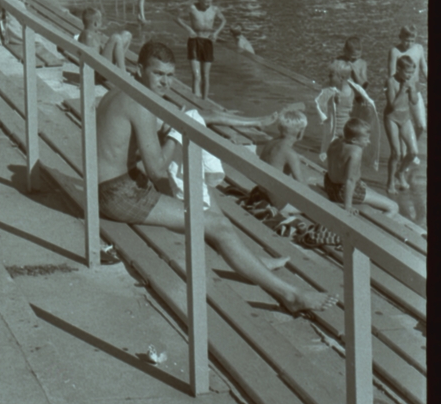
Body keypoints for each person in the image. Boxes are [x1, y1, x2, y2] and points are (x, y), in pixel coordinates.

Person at [96, 41, 332, 316]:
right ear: (140, 69)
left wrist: (254, 123)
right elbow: (157, 170)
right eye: (158, 74)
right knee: (216, 223)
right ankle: (290, 295)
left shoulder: (124, 91)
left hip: (113, 184)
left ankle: (249, 261)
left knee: (206, 197)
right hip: (119, 195)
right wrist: (175, 135)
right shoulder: (140, 104)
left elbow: (196, 116)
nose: (165, 82)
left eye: (171, 75)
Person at [324, 119, 396, 216]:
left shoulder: (335, 142)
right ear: (354, 140)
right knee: (393, 207)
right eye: (366, 139)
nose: (369, 142)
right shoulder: (356, 151)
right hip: (342, 193)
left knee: (370, 190)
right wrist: (348, 206)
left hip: (329, 186)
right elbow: (350, 180)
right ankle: (373, 229)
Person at [176, 0, 226, 100]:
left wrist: (216, 33)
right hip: (194, 41)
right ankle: (195, 100)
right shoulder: (192, 8)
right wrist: (189, 29)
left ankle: (204, 99)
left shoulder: (214, 9)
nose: (208, 3)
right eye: (205, 1)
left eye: (210, 1)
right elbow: (178, 18)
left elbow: (223, 20)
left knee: (205, 75)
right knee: (196, 74)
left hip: (207, 42)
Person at [383, 55, 423, 194]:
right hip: (392, 118)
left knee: (413, 152)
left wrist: (412, 90)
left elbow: (413, 101)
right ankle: (390, 182)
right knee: (396, 153)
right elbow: (392, 105)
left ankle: (399, 173)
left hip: (405, 118)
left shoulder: (411, 81)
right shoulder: (390, 82)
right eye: (407, 72)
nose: (409, 75)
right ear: (398, 69)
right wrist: (402, 89)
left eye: (411, 73)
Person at [77, 7, 132, 74]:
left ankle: (120, 65)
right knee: (116, 37)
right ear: (95, 23)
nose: (102, 24)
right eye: (101, 22)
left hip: (101, 66)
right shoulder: (89, 36)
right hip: (98, 72)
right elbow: (94, 61)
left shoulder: (90, 33)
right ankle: (123, 73)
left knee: (127, 35)